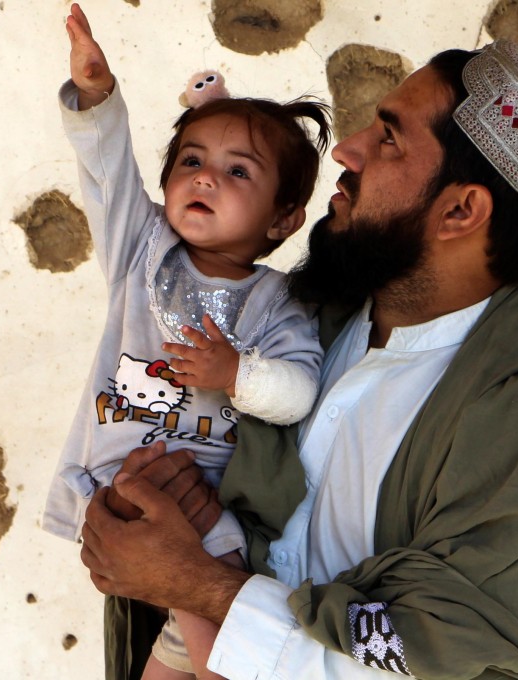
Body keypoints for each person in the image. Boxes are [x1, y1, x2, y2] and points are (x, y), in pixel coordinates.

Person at [80, 37, 518, 680]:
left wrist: (199, 587)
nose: (347, 151)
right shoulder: (301, 319)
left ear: (460, 210)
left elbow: (451, 662)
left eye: (388, 139)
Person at [43, 4, 333, 679]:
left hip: (207, 505)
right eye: (192, 160)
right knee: (170, 603)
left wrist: (237, 374)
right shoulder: (143, 253)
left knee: (203, 608)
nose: (205, 177)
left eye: (238, 172)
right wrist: (96, 97)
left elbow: (297, 392)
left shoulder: (276, 303)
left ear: (283, 219)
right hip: (113, 485)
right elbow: (108, 175)